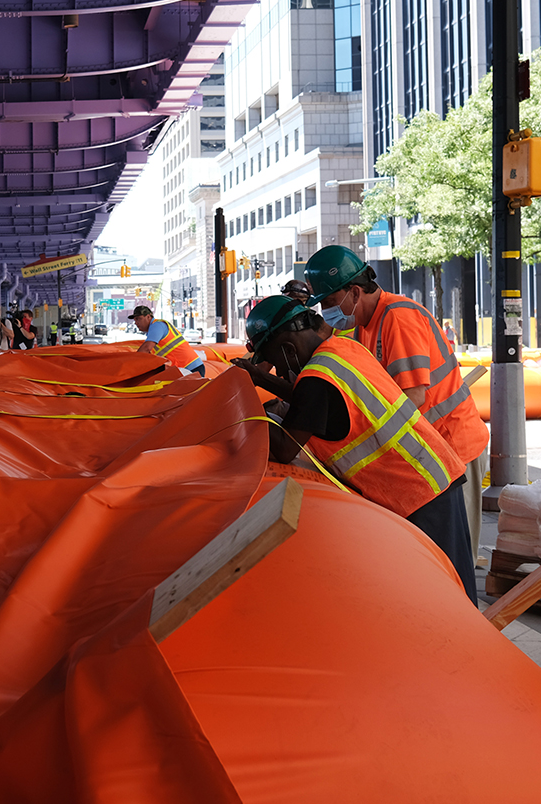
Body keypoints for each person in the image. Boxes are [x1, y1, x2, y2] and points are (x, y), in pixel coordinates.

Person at [237, 294, 476, 598]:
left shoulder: (317, 379)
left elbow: (284, 447)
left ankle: (471, 644)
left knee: (446, 595)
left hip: (419, 490)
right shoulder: (342, 350)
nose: (281, 373)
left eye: (276, 364)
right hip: (427, 479)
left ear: (287, 348)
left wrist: (240, 413)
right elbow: (308, 399)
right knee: (441, 585)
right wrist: (259, 379)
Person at [305, 245, 489, 554]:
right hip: (432, 450)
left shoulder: (397, 318)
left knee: (454, 560)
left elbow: (412, 397)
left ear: (354, 292)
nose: (327, 311)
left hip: (452, 447)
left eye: (330, 301)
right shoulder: (365, 327)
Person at [129, 304, 205, 376]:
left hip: (190, 368)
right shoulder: (153, 331)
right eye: (135, 320)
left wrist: (131, 366)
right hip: (185, 369)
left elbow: (146, 348)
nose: (136, 323)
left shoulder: (157, 325)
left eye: (138, 319)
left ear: (148, 317)